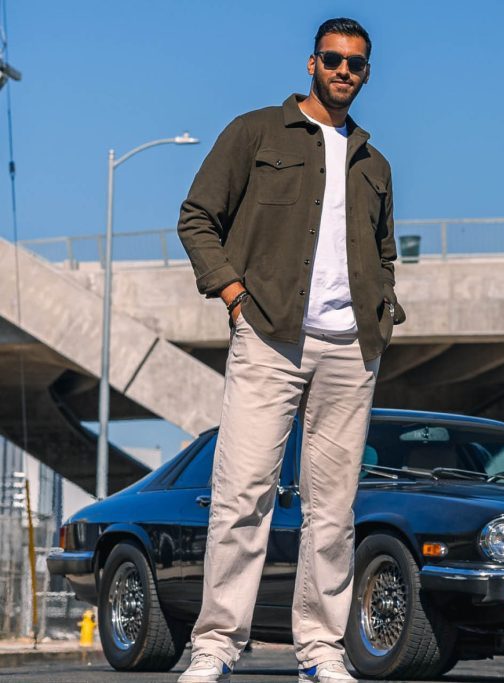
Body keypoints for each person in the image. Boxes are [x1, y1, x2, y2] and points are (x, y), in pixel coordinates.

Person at [176, 16, 404, 683]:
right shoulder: (255, 133)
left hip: (350, 350)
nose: (343, 71)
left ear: (366, 74)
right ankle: (215, 645)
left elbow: (384, 249)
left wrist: (381, 313)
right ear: (311, 64)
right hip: (270, 335)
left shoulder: (375, 162)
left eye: (356, 64)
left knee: (333, 510)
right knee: (242, 493)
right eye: (332, 59)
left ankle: (321, 651)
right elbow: (197, 216)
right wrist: (235, 295)